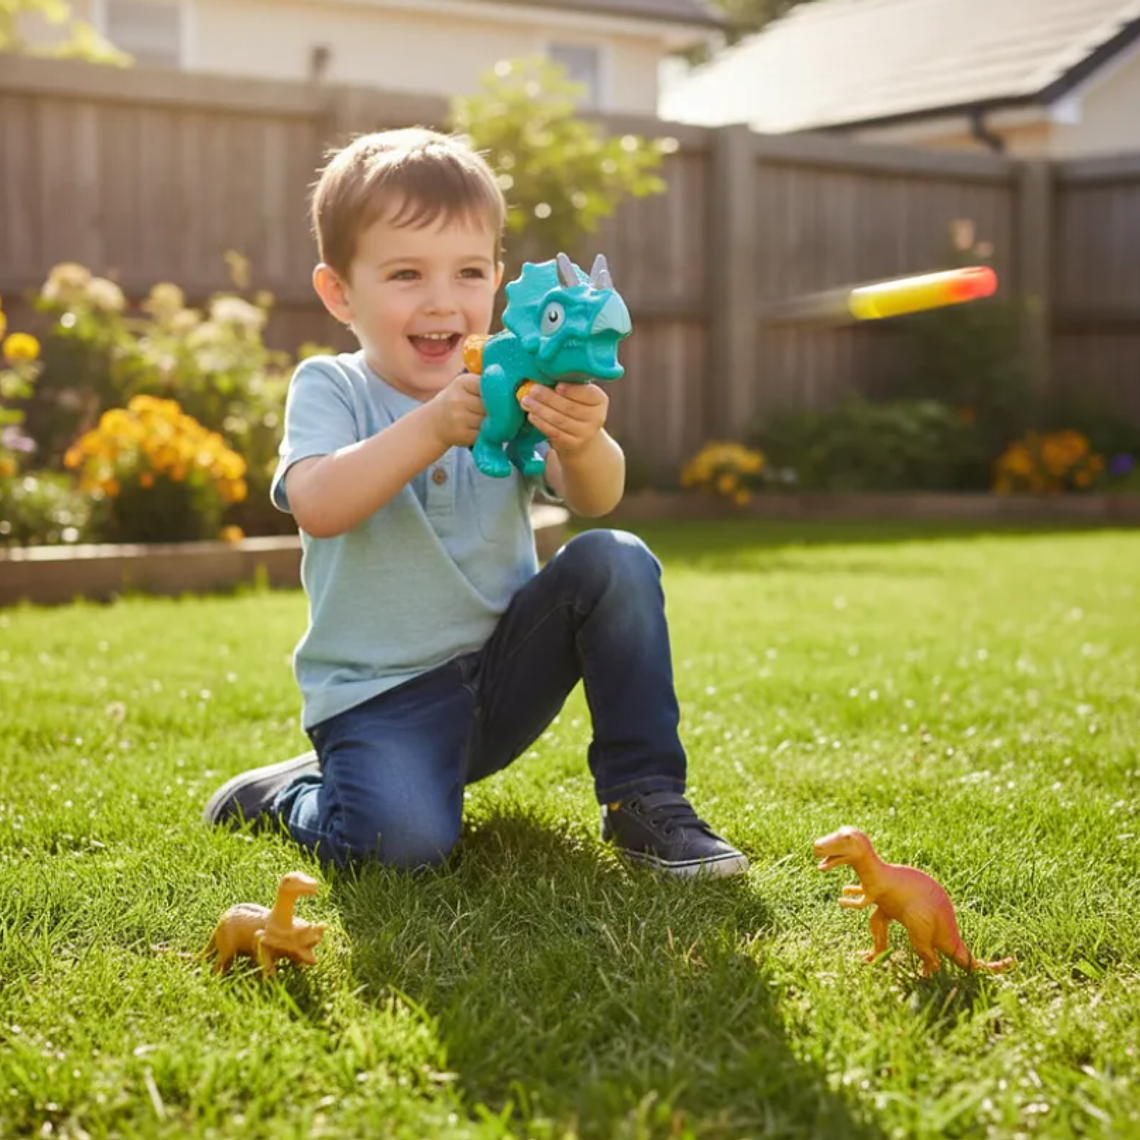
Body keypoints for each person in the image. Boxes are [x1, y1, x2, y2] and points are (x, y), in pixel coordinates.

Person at [202, 128, 747, 877]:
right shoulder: (332, 386)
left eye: (466, 273)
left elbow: (597, 498)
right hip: (381, 700)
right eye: (405, 274)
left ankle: (643, 799)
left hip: (504, 675)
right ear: (339, 292)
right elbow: (318, 504)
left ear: (496, 280)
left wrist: (584, 441)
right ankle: (294, 793)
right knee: (400, 848)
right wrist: (430, 428)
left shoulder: (518, 385)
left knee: (615, 560)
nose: (441, 300)